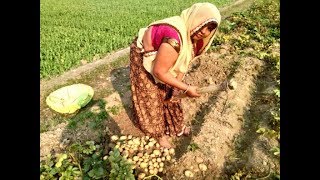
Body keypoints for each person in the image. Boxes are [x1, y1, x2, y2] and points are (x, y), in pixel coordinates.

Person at [129, 2, 221, 148]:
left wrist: (177, 87)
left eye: (209, 28)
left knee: (171, 93)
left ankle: (175, 127)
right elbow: (159, 71)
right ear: (194, 17)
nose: (204, 31)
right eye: (202, 24)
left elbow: (183, 64)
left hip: (165, 57)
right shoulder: (174, 38)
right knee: (150, 94)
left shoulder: (195, 41)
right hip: (146, 54)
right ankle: (158, 134)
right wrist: (186, 88)